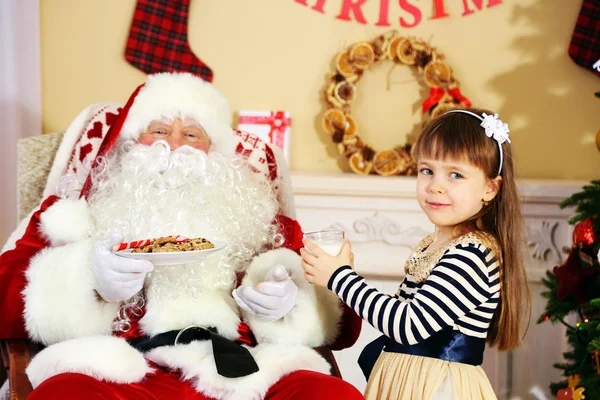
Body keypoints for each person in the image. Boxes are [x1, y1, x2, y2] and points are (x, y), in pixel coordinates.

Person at [0, 72, 363, 400]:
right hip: (122, 372)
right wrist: (89, 280)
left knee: (330, 395)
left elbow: (343, 322)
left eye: (192, 134)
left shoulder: (260, 221)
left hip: (241, 368)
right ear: (132, 144)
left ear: (214, 151)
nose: (174, 145)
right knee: (65, 395)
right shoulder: (71, 215)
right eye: (158, 131)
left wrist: (291, 302)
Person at [300, 108, 531, 400]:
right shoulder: (434, 244)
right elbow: (394, 312)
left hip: (436, 389)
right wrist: (338, 277)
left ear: (490, 187)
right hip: (408, 380)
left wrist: (340, 277)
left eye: (456, 175)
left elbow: (408, 325)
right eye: (427, 171)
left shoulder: (471, 255)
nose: (436, 186)